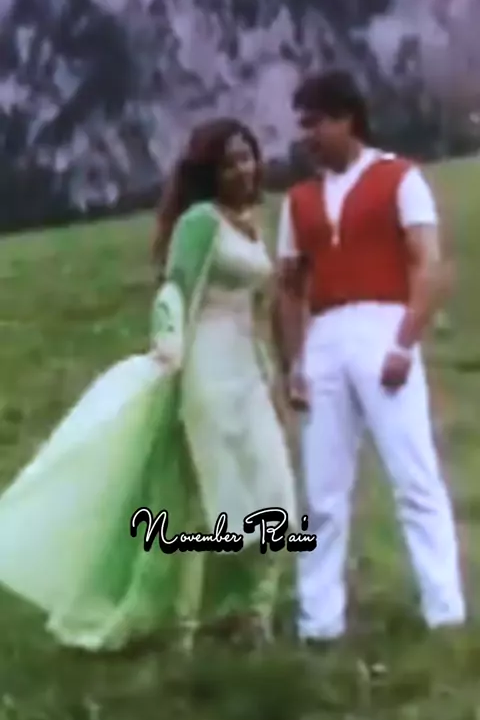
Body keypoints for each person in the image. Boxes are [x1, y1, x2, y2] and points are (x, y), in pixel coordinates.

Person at [0, 117, 297, 653]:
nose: (243, 169)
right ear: (209, 172)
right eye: (229, 162)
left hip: (246, 367)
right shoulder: (200, 222)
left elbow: (256, 302)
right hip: (206, 368)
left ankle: (255, 612)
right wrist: (170, 350)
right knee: (207, 497)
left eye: (247, 156)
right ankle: (186, 627)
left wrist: (271, 368)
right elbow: (176, 289)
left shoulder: (252, 222)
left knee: (270, 484)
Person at [274, 70, 466, 642]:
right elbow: (288, 287)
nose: (306, 136)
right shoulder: (299, 201)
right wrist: (295, 363)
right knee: (322, 490)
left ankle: (446, 610)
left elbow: (428, 265)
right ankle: (319, 620)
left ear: (346, 119)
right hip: (325, 335)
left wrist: (405, 341)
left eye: (315, 123)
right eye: (303, 125)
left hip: (384, 323)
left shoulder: (399, 178)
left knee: (414, 475)